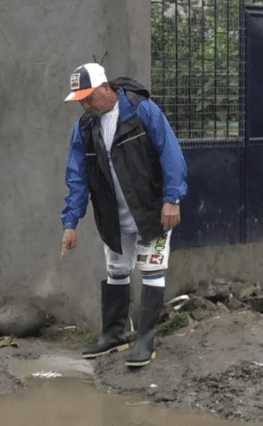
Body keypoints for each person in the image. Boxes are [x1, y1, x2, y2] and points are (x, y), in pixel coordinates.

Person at [60, 62, 188, 368]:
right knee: (116, 271)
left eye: (88, 96)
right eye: (80, 99)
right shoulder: (85, 128)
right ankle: (113, 335)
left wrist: (172, 199)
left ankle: (145, 341)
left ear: (106, 88)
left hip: (150, 211)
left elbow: (171, 154)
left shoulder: (142, 111)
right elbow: (76, 176)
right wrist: (70, 222)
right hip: (113, 217)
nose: (84, 103)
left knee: (152, 270)